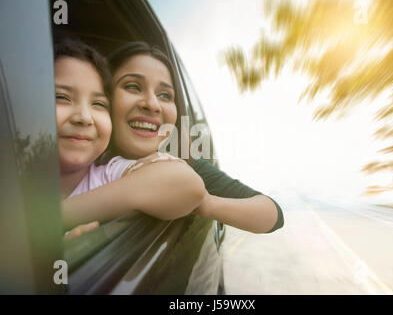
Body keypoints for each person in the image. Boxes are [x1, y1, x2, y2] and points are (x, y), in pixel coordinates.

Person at [107, 42, 284, 234]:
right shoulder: (78, 163)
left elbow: (272, 215)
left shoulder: (181, 165)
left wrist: (205, 202)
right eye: (133, 86)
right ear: (103, 97)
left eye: (165, 95)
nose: (152, 104)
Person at [54, 39, 206, 235]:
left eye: (99, 104)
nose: (84, 117)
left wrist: (50, 223)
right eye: (61, 97)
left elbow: (186, 183)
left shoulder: (109, 173)